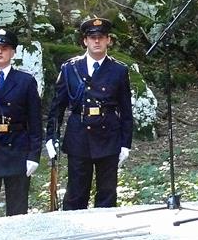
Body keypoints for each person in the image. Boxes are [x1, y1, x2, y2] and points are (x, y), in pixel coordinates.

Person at [45, 18, 133, 210]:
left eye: (101, 37)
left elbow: (126, 110)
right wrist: (51, 136)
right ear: (85, 41)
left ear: (108, 40)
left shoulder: (119, 70)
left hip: (108, 135)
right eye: (92, 37)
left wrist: (126, 143)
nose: (97, 41)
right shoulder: (70, 68)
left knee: (107, 194)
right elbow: (57, 107)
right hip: (79, 135)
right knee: (75, 194)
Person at [0, 28, 42, 222]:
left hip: (17, 150)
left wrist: (33, 156)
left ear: (13, 52)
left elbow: (35, 122)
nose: (0, 52)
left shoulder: (25, 81)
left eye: (5, 47)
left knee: (18, 213)